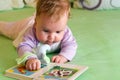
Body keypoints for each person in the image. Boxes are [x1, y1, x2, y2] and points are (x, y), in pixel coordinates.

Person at [0, 0, 77, 71]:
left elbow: (71, 45)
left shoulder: (65, 31)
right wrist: (30, 59)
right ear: (36, 24)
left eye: (58, 32)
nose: (51, 37)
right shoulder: (31, 32)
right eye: (46, 31)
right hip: (24, 26)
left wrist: (63, 56)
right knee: (7, 28)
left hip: (38, 21)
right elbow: (23, 46)